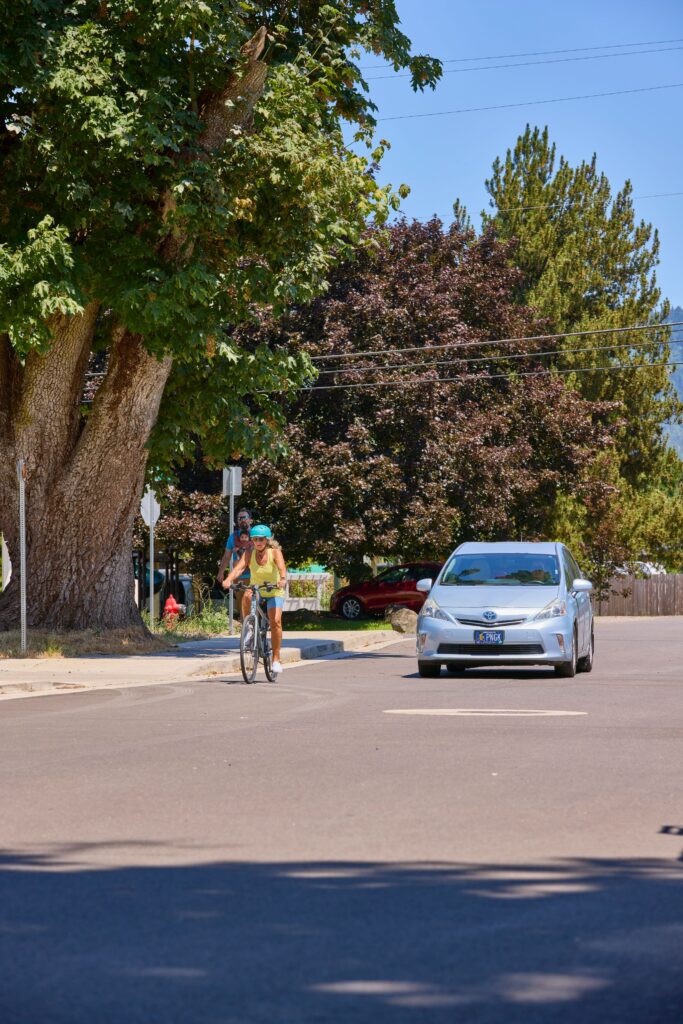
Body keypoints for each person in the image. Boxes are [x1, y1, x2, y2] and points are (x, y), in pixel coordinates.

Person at [222, 525, 287, 675]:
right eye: (255, 539)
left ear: (267, 540)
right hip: (257, 589)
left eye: (261, 539)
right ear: (252, 541)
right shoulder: (249, 553)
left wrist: (282, 579)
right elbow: (238, 568)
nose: (258, 542)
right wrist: (228, 580)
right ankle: (249, 627)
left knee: (275, 621)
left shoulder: (275, 553)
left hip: (274, 590)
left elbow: (282, 567)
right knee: (246, 594)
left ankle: (276, 659)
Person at [217, 509, 254, 611]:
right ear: (237, 521)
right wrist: (221, 572)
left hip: (254, 576)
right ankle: (245, 626)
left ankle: (255, 625)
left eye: (244, 517)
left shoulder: (256, 535)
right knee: (241, 606)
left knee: (251, 603)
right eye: (239, 518)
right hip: (238, 576)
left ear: (250, 520)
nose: (242, 520)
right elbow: (226, 556)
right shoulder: (233, 537)